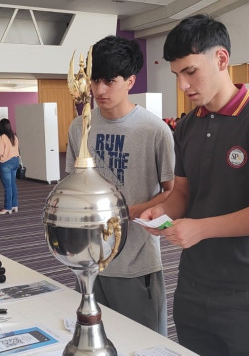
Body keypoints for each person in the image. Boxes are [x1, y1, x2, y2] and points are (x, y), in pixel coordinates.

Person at [140, 14, 249, 356]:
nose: (182, 85)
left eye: (190, 72)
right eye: (176, 74)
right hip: (195, 284)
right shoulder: (189, 124)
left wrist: (202, 228)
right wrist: (161, 212)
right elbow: (182, 192)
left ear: (221, 59)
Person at [66, 35, 175, 335]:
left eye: (109, 81)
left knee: (145, 347)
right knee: (93, 342)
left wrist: (125, 212)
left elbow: (173, 192)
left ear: (130, 81)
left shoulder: (155, 130)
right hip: (88, 261)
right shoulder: (79, 127)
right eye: (94, 80)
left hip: (135, 262)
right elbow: (72, 188)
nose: (98, 90)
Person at [0, 118, 19, 214]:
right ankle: (14, 205)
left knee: (7, 187)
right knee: (13, 184)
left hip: (6, 163)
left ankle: (7, 207)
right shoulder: (14, 136)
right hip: (15, 161)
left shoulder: (2, 137)